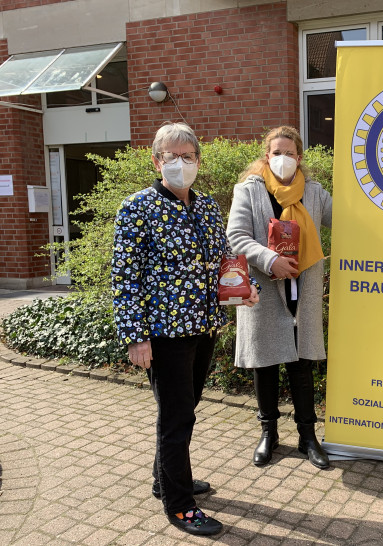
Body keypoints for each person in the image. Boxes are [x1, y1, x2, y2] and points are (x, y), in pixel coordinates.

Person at [112, 122, 259, 536]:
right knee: (176, 418)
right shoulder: (137, 207)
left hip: (203, 327)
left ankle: (166, 479)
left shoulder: (207, 206)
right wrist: (135, 336)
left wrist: (243, 291)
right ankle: (179, 505)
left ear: (198, 160)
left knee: (184, 410)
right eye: (170, 156)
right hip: (163, 332)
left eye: (187, 156)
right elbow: (125, 277)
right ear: (157, 161)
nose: (180, 163)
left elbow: (224, 260)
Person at [227, 126, 332, 470]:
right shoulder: (248, 190)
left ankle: (307, 437)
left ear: (299, 157)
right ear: (266, 156)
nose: (283, 158)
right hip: (265, 290)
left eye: (290, 153)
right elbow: (236, 236)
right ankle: (268, 434)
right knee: (266, 364)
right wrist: (270, 259)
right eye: (277, 152)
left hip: (303, 291)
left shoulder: (315, 193)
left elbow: (348, 219)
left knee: (302, 365)